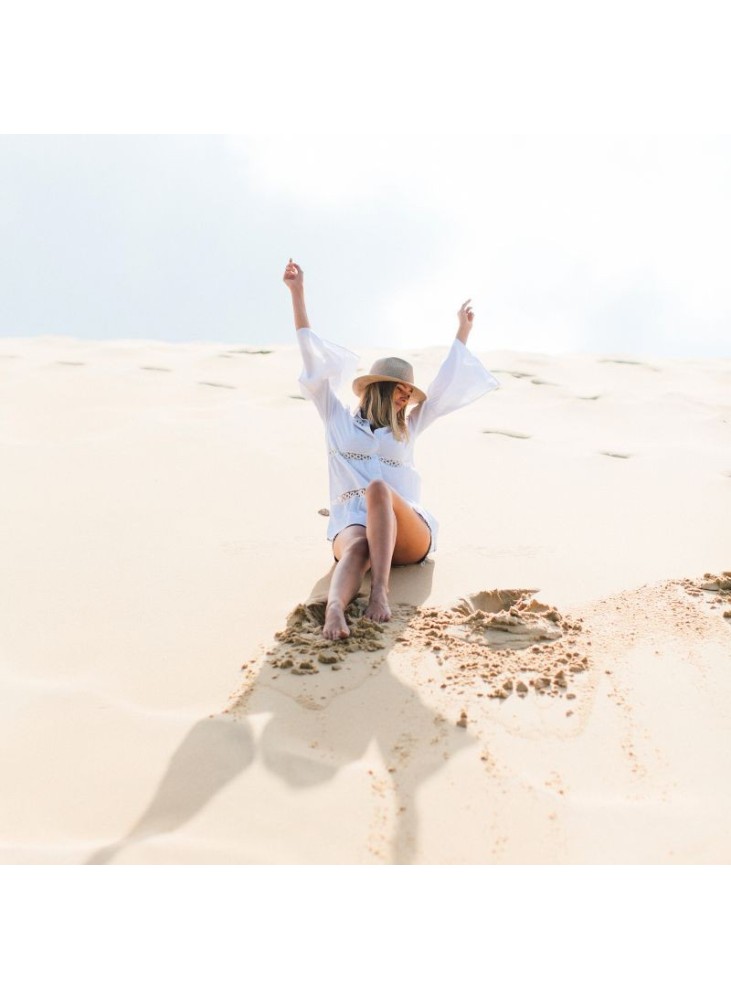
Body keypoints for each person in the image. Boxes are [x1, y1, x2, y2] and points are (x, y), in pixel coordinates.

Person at [283, 258, 500, 640]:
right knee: (356, 547)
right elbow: (311, 359)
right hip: (351, 522)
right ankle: (335, 608)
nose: (405, 398)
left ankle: (379, 592)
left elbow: (446, 386)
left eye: (409, 393)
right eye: (399, 389)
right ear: (378, 389)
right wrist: (297, 293)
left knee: (379, 489)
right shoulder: (336, 418)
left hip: (408, 532)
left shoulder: (408, 427)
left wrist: (462, 332)